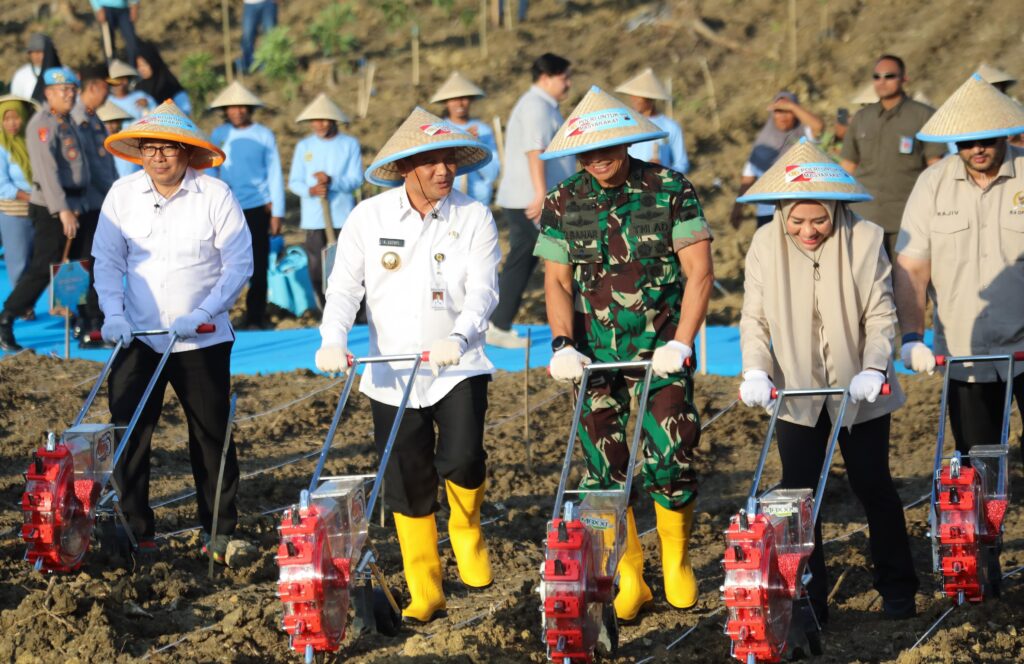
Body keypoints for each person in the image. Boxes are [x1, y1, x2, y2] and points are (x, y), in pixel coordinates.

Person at [534, 86, 714, 621]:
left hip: (661, 349)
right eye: (586, 152)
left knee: (672, 453)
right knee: (603, 468)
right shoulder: (563, 200)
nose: (597, 159)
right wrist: (562, 343)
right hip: (594, 356)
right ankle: (630, 573)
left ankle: (676, 559)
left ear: (627, 142)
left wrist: (682, 341)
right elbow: (557, 281)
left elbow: (700, 272)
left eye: (607, 148)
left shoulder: (670, 189)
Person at [316, 107, 500, 622]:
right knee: (406, 480)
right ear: (404, 168)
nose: (444, 171)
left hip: (457, 364)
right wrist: (332, 338)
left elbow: (484, 290)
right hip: (391, 372)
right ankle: (426, 589)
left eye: (450, 160)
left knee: (463, 459)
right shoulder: (368, 218)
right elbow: (344, 287)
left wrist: (460, 336)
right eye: (431, 162)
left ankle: (466, 528)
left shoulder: (473, 217)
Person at [737, 139, 918, 623]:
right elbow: (754, 317)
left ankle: (898, 588)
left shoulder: (866, 239)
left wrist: (874, 367)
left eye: (819, 220)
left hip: (859, 388)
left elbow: (880, 314)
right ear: (782, 212)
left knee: (873, 484)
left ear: (836, 208)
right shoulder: (764, 244)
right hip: (795, 392)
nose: (808, 230)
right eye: (797, 221)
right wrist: (756, 369)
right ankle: (807, 598)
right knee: (799, 496)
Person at [95, 100, 253, 559]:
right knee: (128, 432)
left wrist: (204, 310)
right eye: (150, 148)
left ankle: (219, 530)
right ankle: (135, 529)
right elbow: (107, 261)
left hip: (200, 338)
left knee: (210, 434)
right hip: (138, 336)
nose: (159, 157)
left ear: (187, 152)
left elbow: (238, 263)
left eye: (168, 148)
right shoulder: (121, 196)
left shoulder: (215, 195)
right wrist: (113, 313)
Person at [894, 74, 1024, 461]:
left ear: (1005, 134)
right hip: (965, 351)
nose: (977, 149)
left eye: (987, 139)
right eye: (967, 142)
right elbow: (912, 268)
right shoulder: (932, 184)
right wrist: (911, 336)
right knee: (976, 462)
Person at [0, 67, 90, 352]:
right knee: (43, 267)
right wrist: (62, 210)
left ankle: (85, 321)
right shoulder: (42, 124)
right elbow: (47, 173)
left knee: (81, 263)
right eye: (63, 90)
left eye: (73, 90)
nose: (70, 95)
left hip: (77, 203)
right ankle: (7, 317)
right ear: (49, 94)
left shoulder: (68, 121)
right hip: (52, 207)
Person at [491, 53, 574, 348]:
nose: (568, 84)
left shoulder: (544, 106)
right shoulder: (536, 106)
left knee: (525, 256)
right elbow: (534, 151)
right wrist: (541, 194)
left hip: (534, 197)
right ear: (546, 78)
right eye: (564, 78)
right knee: (537, 257)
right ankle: (497, 324)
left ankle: (498, 323)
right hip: (530, 199)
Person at [839, 55, 946, 259]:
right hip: (865, 217)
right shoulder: (862, 118)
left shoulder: (923, 115)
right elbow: (847, 167)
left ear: (904, 78)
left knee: (907, 276)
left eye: (889, 76)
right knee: (866, 276)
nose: (882, 81)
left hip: (907, 218)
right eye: (877, 76)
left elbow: (936, 168)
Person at [209, 80, 284, 329]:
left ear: (249, 109)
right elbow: (210, 170)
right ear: (225, 110)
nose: (238, 111)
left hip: (257, 207)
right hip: (225, 207)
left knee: (258, 263)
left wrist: (277, 212)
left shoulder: (264, 135)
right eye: (232, 107)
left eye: (242, 107)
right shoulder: (219, 135)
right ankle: (218, 315)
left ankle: (255, 315)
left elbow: (274, 173)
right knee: (221, 263)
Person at [288, 93, 362, 298]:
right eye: (315, 120)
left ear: (333, 120)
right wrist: (311, 190)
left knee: (346, 265)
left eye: (324, 120)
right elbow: (294, 182)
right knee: (317, 267)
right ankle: (324, 306)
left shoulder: (349, 144)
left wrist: (332, 181)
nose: (319, 125)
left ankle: (352, 308)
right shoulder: (304, 146)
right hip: (314, 217)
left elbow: (356, 179)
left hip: (342, 215)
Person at [70, 65, 119, 345]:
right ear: (93, 87)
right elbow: (90, 166)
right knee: (87, 263)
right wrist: (115, 191)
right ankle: (87, 320)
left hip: (100, 201)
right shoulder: (78, 119)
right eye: (105, 87)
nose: (108, 93)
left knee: (94, 262)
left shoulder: (92, 117)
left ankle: (89, 318)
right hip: (89, 203)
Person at [731, 91, 824, 228]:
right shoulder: (763, 140)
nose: (783, 116)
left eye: (788, 111)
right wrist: (737, 209)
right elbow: (748, 179)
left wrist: (792, 106)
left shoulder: (804, 135)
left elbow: (819, 127)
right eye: (778, 111)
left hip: (799, 211)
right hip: (767, 214)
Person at [430, 72, 500, 205]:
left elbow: (493, 174)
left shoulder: (483, 130)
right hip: (447, 201)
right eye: (454, 99)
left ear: (470, 100)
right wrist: (460, 139)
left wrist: (475, 147)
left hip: (479, 201)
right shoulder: (437, 129)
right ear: (446, 103)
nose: (460, 104)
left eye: (464, 98)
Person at [615, 67, 690, 174]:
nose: (634, 102)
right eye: (633, 98)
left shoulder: (670, 127)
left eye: (638, 98)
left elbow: (682, 165)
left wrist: (663, 169)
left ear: (650, 99)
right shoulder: (626, 124)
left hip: (658, 182)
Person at [0, 95, 38, 293]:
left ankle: (56, 304)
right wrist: (31, 197)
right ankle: (22, 305)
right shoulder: (1, 147)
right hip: (14, 213)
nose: (11, 123)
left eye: (15, 117)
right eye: (6, 119)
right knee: (19, 264)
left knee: (45, 261)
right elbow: (2, 186)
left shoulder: (34, 142)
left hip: (41, 210)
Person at [135, 40, 192, 115]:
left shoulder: (172, 86)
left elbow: (185, 111)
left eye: (144, 65)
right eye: (138, 66)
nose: (141, 69)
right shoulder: (138, 88)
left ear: (153, 62)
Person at [97, 99, 140, 179]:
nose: (110, 125)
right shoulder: (96, 146)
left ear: (120, 123)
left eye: (114, 121)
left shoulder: (130, 142)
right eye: (106, 122)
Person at [91, 1, 141, 68]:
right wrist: (97, 8)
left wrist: (134, 4)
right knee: (108, 43)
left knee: (132, 41)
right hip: (105, 9)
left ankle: (134, 69)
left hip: (124, 9)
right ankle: (111, 69)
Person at [239, 0, 278, 74]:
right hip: (249, 4)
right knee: (247, 36)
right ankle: (248, 66)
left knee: (271, 35)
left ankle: (270, 65)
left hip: (268, 3)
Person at [9, 34, 49, 100]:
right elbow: (15, 99)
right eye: (36, 52)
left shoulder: (60, 71)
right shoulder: (21, 74)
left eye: (42, 52)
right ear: (29, 54)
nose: (39, 56)